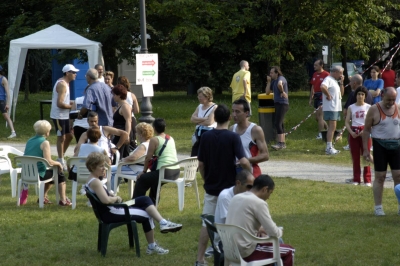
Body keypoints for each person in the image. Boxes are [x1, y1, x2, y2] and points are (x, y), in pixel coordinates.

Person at [84, 152, 182, 255]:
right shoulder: (95, 182)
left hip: (114, 209)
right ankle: (152, 246)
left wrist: (112, 196)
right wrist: (116, 198)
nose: (104, 168)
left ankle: (163, 223)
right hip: (113, 212)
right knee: (147, 214)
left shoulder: (92, 180)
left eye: (104, 165)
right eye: (101, 166)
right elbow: (106, 201)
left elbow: (104, 198)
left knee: (144, 199)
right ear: (92, 167)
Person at [194, 104, 251, 266]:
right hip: (229, 188)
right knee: (231, 222)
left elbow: (201, 165)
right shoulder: (233, 137)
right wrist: (250, 173)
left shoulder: (205, 137)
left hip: (211, 186)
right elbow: (244, 160)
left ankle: (200, 259)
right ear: (228, 118)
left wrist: (206, 180)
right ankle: (231, 255)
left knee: (207, 223)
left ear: (214, 118)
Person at [225, 175, 295, 266]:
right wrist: (280, 231)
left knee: (271, 246)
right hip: (246, 252)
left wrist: (259, 229)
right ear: (265, 189)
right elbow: (274, 232)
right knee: (289, 250)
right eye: (270, 193)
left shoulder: (236, 198)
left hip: (230, 250)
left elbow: (240, 222)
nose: (269, 197)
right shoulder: (259, 203)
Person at [362, 87, 400, 216]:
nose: (391, 102)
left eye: (393, 100)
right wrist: (366, 150)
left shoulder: (398, 108)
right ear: (382, 95)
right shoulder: (374, 109)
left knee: (398, 176)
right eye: (388, 99)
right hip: (380, 146)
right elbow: (366, 130)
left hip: (396, 145)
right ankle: (378, 207)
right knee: (380, 177)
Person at [19, 120, 71, 206]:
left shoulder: (30, 140)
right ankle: (63, 199)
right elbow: (49, 161)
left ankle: (43, 197)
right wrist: (59, 164)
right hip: (39, 173)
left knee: (51, 173)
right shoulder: (45, 142)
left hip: (26, 173)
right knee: (59, 174)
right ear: (47, 132)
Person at [132, 118, 180, 204]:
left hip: (165, 172)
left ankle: (136, 204)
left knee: (142, 179)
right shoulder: (170, 138)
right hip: (176, 172)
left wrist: (144, 171)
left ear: (154, 128)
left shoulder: (154, 140)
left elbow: (148, 158)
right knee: (154, 182)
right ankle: (152, 204)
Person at [230, 98, 269, 177]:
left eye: (237, 112)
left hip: (251, 172)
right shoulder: (231, 129)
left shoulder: (255, 130)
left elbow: (265, 155)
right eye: (233, 111)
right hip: (233, 173)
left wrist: (245, 161)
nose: (234, 115)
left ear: (246, 113)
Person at [50, 64, 78, 170]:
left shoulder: (66, 83)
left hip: (65, 115)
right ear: (67, 73)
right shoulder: (62, 84)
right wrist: (72, 107)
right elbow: (60, 103)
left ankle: (60, 157)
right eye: (73, 72)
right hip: (59, 115)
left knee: (70, 136)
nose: (75, 74)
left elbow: (64, 101)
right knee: (61, 137)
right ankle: (61, 160)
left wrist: (76, 103)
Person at [110, 122, 154, 190]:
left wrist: (123, 160)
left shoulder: (143, 145)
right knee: (116, 169)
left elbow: (134, 157)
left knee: (109, 170)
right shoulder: (151, 144)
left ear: (141, 134)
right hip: (142, 168)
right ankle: (111, 191)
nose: (136, 134)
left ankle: (110, 193)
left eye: (137, 133)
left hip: (135, 170)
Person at [345, 86, 372, 186]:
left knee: (366, 155)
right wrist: (351, 132)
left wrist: (365, 130)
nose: (360, 96)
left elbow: (371, 122)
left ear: (365, 96)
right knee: (355, 156)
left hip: (365, 131)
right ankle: (356, 178)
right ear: (355, 96)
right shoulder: (351, 107)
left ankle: (367, 179)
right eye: (358, 94)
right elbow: (347, 122)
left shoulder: (368, 107)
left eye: (362, 94)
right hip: (354, 130)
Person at [342, 75, 373, 151]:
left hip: (355, 125)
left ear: (354, 83)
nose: (350, 84)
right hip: (367, 126)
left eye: (351, 82)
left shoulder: (353, 94)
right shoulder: (368, 93)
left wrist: (346, 116)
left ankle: (349, 144)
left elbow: (346, 110)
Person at [320, 65, 344, 155]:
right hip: (331, 107)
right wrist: (328, 95)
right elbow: (322, 87)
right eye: (340, 73)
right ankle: (329, 147)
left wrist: (341, 82)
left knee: (333, 127)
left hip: (336, 107)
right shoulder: (328, 79)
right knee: (332, 127)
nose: (341, 75)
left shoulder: (335, 81)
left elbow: (341, 93)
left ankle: (330, 146)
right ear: (335, 72)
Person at [265, 66, 289, 150]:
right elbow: (267, 92)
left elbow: (280, 84)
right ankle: (282, 143)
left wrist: (282, 92)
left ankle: (280, 143)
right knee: (280, 123)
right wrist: (268, 82)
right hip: (277, 104)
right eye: (270, 73)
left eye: (272, 73)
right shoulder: (274, 81)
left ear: (277, 73)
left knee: (277, 123)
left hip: (282, 103)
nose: (270, 74)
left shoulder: (281, 78)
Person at [190, 87, 217, 156]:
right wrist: (204, 119)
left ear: (207, 96)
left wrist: (197, 121)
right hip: (198, 135)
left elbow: (209, 122)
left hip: (208, 134)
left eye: (200, 96)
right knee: (195, 156)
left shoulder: (214, 107)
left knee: (206, 156)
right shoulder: (199, 106)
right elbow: (192, 118)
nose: (199, 98)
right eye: (198, 96)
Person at [309, 59, 329, 140]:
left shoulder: (326, 74)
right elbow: (313, 87)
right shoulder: (314, 74)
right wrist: (311, 98)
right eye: (314, 65)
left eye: (316, 65)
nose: (314, 67)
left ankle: (321, 134)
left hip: (322, 96)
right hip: (316, 97)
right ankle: (328, 129)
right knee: (317, 117)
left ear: (321, 65)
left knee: (320, 116)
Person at [117, 76, 140, 149]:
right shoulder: (132, 95)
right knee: (133, 139)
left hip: (120, 119)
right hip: (132, 118)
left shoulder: (117, 95)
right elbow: (137, 110)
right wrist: (130, 109)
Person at [112, 84, 132, 158]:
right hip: (118, 133)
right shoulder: (119, 106)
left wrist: (127, 135)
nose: (113, 96)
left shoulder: (125, 106)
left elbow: (128, 120)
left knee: (121, 155)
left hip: (123, 133)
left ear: (119, 95)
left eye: (114, 95)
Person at [0, 65, 17, 138]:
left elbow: (7, 93)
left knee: (6, 115)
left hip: (1, 99)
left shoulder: (3, 79)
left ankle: (13, 132)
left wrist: (7, 103)